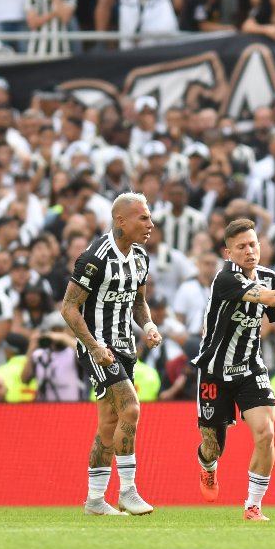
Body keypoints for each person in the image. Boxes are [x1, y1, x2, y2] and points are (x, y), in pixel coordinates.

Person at [61, 192, 162, 516]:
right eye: (143, 217)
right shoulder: (94, 257)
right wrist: (93, 347)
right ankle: (129, 490)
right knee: (131, 409)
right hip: (99, 348)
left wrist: (147, 326)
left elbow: (138, 302)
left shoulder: (140, 258)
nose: (150, 224)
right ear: (121, 220)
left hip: (125, 347)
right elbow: (69, 308)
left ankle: (94, 500)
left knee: (108, 423)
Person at [193, 218, 275, 521]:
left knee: (266, 433)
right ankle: (208, 466)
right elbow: (266, 298)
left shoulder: (270, 276)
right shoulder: (225, 279)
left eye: (253, 244)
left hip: (251, 368)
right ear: (229, 253)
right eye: (241, 247)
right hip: (214, 370)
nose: (249, 251)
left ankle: (252, 506)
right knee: (214, 447)